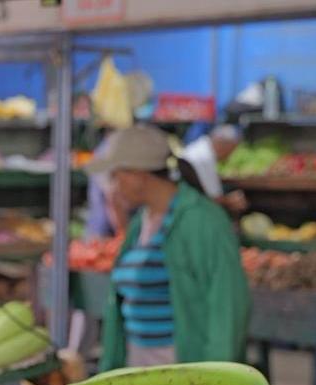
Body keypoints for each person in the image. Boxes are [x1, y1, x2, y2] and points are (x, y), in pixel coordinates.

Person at [86, 124, 251, 371]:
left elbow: (228, 307)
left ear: (138, 174)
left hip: (184, 378)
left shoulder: (203, 221)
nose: (114, 186)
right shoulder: (141, 222)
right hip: (138, 371)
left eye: (116, 176)